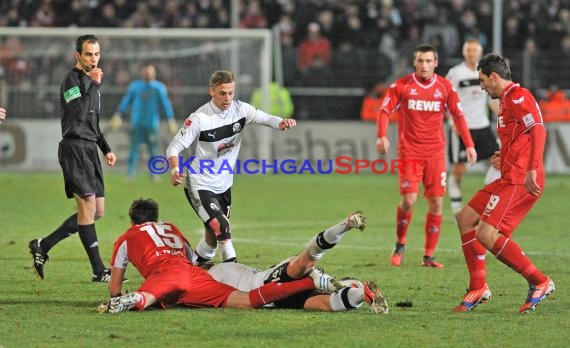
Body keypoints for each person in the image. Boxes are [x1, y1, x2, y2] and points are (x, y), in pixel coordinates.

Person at [97, 198, 341, 314]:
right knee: (246, 300)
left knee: (146, 298)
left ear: (132, 221)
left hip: (167, 273)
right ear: (157, 216)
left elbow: (114, 288)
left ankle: (134, 300)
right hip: (193, 274)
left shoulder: (126, 238)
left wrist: (119, 296)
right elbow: (193, 259)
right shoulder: (170, 227)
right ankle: (311, 281)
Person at [453, 53, 555, 313]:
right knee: (465, 218)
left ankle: (539, 281)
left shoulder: (520, 97)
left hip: (521, 179)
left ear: (495, 77)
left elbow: (539, 129)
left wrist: (532, 168)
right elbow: (519, 136)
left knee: (486, 234)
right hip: (508, 175)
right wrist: (505, 156)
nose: (482, 86)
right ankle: (478, 286)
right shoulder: (507, 101)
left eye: (483, 80)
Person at [166, 70, 296, 264]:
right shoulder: (200, 118)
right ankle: (233, 275)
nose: (227, 98)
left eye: (231, 93)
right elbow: (173, 147)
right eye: (222, 93)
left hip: (224, 186)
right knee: (223, 228)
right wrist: (175, 170)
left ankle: (192, 266)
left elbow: (266, 118)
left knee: (211, 237)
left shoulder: (240, 110)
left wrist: (282, 123)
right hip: (199, 184)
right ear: (211, 91)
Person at [376, 44, 476, 268]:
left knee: (437, 204)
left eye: (428, 61)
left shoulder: (445, 87)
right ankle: (400, 243)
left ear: (436, 63)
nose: (424, 65)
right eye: (420, 61)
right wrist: (381, 135)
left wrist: (469, 144)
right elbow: (384, 111)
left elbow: (458, 116)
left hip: (435, 153)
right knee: (409, 200)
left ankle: (428, 256)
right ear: (414, 62)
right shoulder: (401, 86)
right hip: (409, 152)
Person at [28, 35, 117, 282]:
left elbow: (93, 123)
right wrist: (94, 84)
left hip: (90, 149)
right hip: (74, 149)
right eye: (89, 54)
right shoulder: (72, 81)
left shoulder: (91, 82)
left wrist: (106, 148)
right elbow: (77, 114)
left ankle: (43, 245)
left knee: (97, 211)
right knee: (87, 208)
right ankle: (99, 271)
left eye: (97, 54)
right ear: (77, 55)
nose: (94, 58)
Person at [208, 211, 388, 313]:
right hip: (271, 290)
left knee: (312, 274)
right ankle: (362, 294)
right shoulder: (220, 270)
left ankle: (354, 291)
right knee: (322, 293)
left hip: (266, 289)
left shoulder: (212, 274)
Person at [446, 38, 501, 214]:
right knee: (459, 170)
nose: (471, 53)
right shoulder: (455, 73)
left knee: (498, 162)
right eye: (468, 50)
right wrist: (451, 121)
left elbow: (491, 100)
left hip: (482, 126)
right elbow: (445, 100)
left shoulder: (485, 72)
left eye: (474, 50)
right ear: (464, 52)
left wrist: (505, 113)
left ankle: (487, 201)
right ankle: (456, 209)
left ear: (480, 52)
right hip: (461, 128)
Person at [111, 63, 177, 180]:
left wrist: (170, 119)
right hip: (137, 123)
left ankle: (154, 174)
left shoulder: (158, 87)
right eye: (146, 71)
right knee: (134, 148)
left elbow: (165, 104)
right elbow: (126, 101)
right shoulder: (135, 87)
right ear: (142, 72)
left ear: (154, 73)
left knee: (153, 148)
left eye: (150, 71)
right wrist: (118, 114)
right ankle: (130, 173)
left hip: (151, 123)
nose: (148, 73)